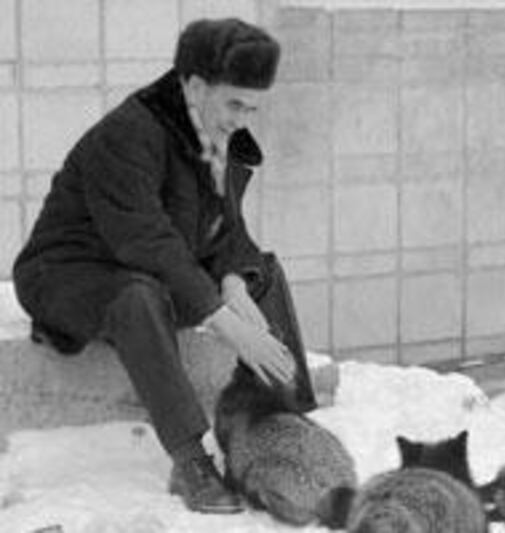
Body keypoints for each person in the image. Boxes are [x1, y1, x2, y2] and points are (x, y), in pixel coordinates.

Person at [12, 18, 317, 514]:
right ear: (196, 86)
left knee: (259, 272)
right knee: (137, 295)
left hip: (144, 269)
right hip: (66, 275)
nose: (241, 119)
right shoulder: (128, 133)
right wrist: (225, 324)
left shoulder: (216, 136)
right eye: (234, 104)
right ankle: (190, 460)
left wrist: (235, 286)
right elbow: (146, 239)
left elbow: (223, 231)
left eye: (252, 107)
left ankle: (287, 419)